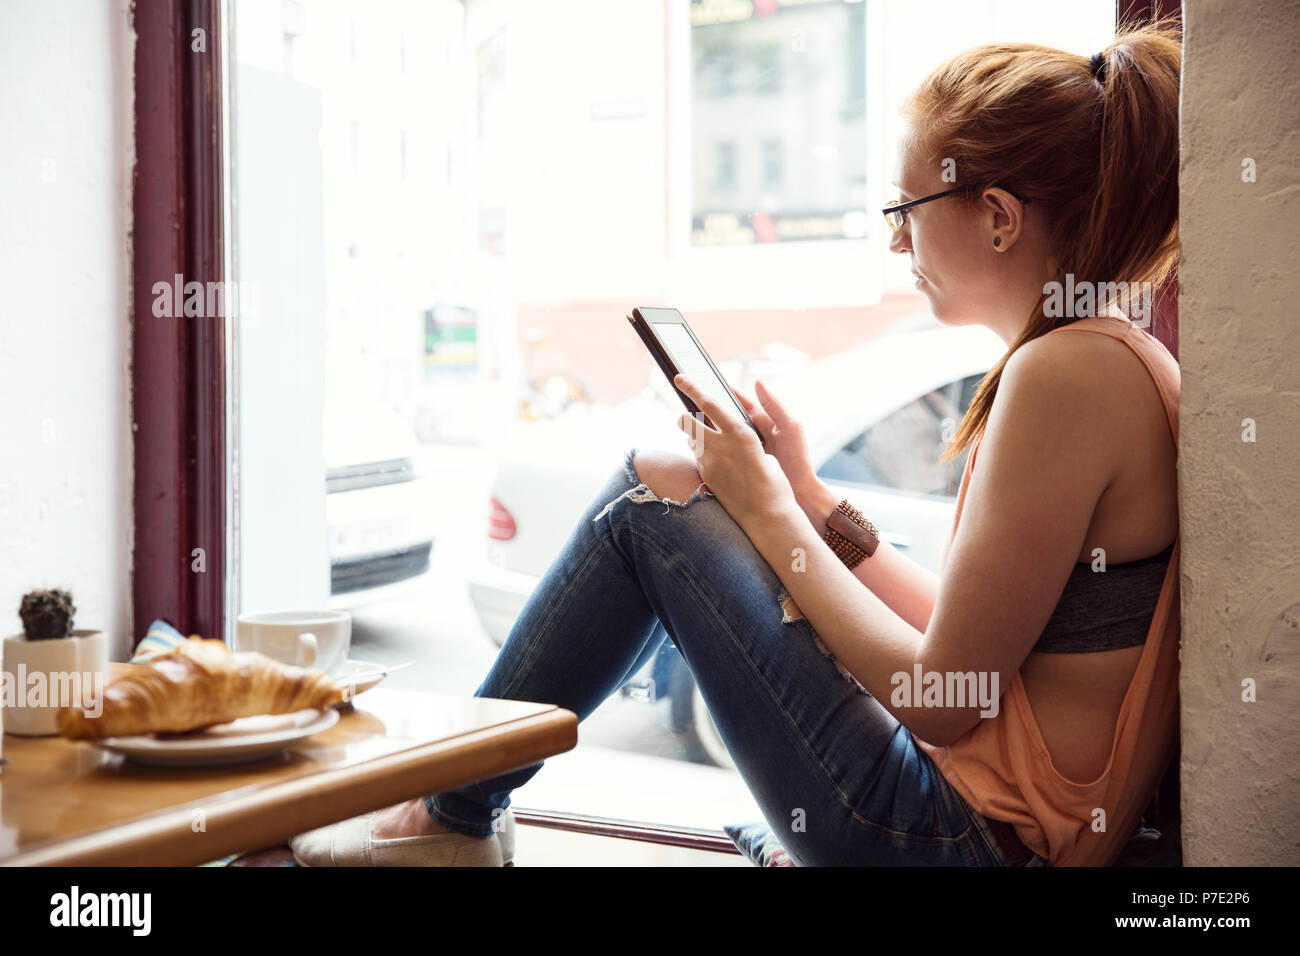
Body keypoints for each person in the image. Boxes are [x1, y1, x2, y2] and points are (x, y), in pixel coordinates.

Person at [291, 17, 1183, 867]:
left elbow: (940, 701)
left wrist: (762, 506)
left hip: (952, 843)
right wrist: (808, 497)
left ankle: (446, 815)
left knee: (652, 506)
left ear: (997, 215)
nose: (897, 241)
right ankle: (450, 810)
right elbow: (968, 644)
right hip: (967, 827)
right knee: (667, 479)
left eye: (905, 207)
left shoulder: (1065, 377)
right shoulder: (1105, 359)